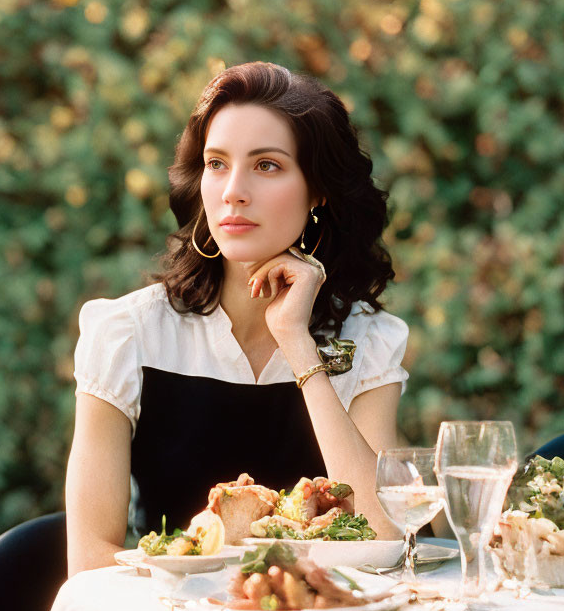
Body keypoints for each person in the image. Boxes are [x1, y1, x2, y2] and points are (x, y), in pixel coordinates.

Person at [65, 62, 409, 575]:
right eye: (217, 163)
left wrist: (296, 341)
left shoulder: (366, 340)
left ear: (317, 192)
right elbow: (90, 561)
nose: (233, 191)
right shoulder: (129, 334)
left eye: (266, 165)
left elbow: (388, 540)